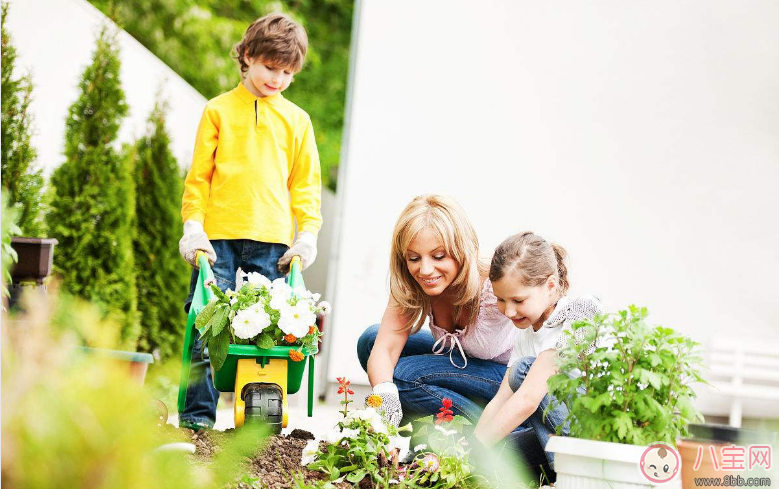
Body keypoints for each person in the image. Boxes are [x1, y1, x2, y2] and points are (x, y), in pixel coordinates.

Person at [177, 13, 322, 430]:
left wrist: (307, 235)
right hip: (217, 240)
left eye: (287, 73)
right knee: (206, 328)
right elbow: (199, 178)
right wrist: (193, 226)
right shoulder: (217, 111)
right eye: (270, 68)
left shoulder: (297, 121)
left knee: (271, 338)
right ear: (246, 56)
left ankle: (259, 425)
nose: (277, 79)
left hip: (273, 245)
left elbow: (305, 186)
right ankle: (197, 422)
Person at [356, 194, 521, 427]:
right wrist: (385, 397)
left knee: (406, 376)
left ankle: (493, 433)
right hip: (461, 364)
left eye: (438, 256)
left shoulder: (495, 276)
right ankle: (422, 436)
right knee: (371, 342)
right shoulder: (411, 281)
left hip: (507, 377)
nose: (425, 269)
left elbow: (546, 305)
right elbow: (385, 347)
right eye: (414, 258)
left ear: (461, 249)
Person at [473, 231, 603, 471]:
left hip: (595, 438)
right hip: (559, 430)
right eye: (501, 300)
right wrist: (470, 448)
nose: (509, 311)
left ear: (551, 285)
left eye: (518, 301)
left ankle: (569, 475)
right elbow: (501, 399)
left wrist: (477, 450)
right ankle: (557, 470)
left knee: (524, 370)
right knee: (501, 453)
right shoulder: (525, 333)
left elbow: (527, 399)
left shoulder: (576, 316)